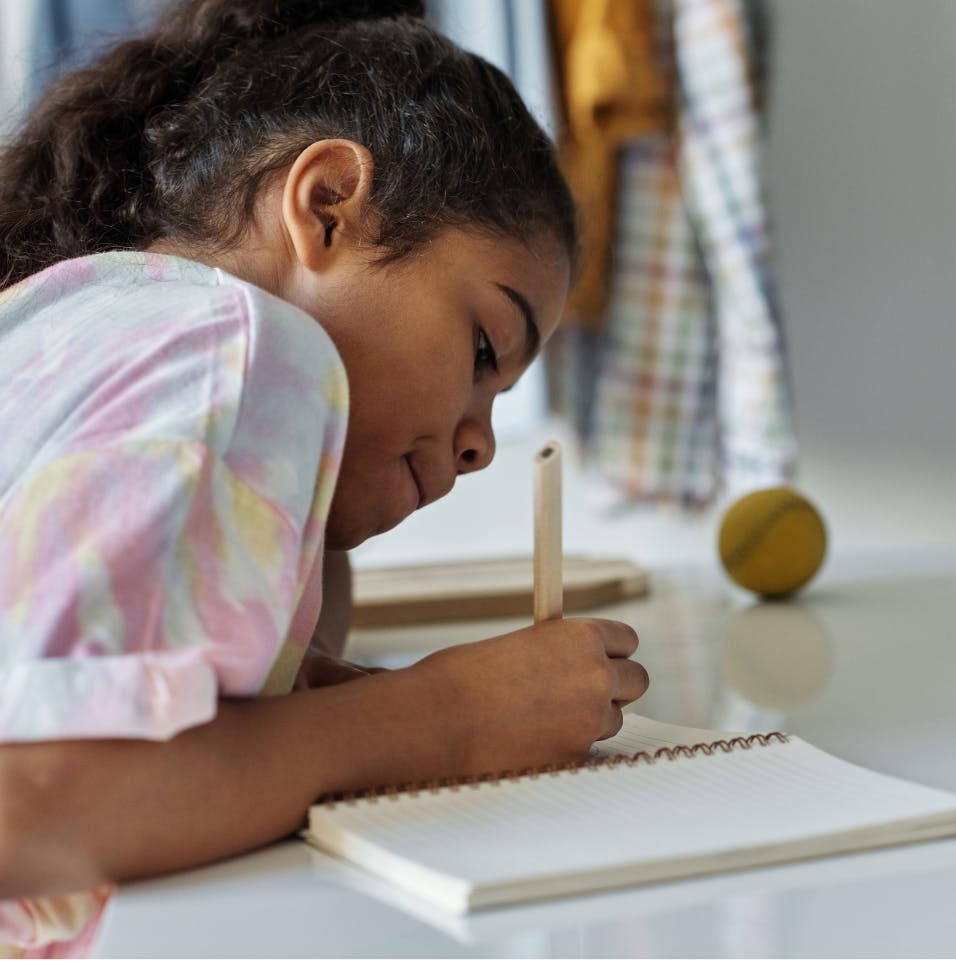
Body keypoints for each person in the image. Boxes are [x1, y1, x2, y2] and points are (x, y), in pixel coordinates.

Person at [0, 0, 650, 912]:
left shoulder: (81, 321)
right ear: (329, 206)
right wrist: (447, 716)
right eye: (480, 350)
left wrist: (302, 674)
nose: (480, 444)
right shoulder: (243, 346)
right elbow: (29, 815)